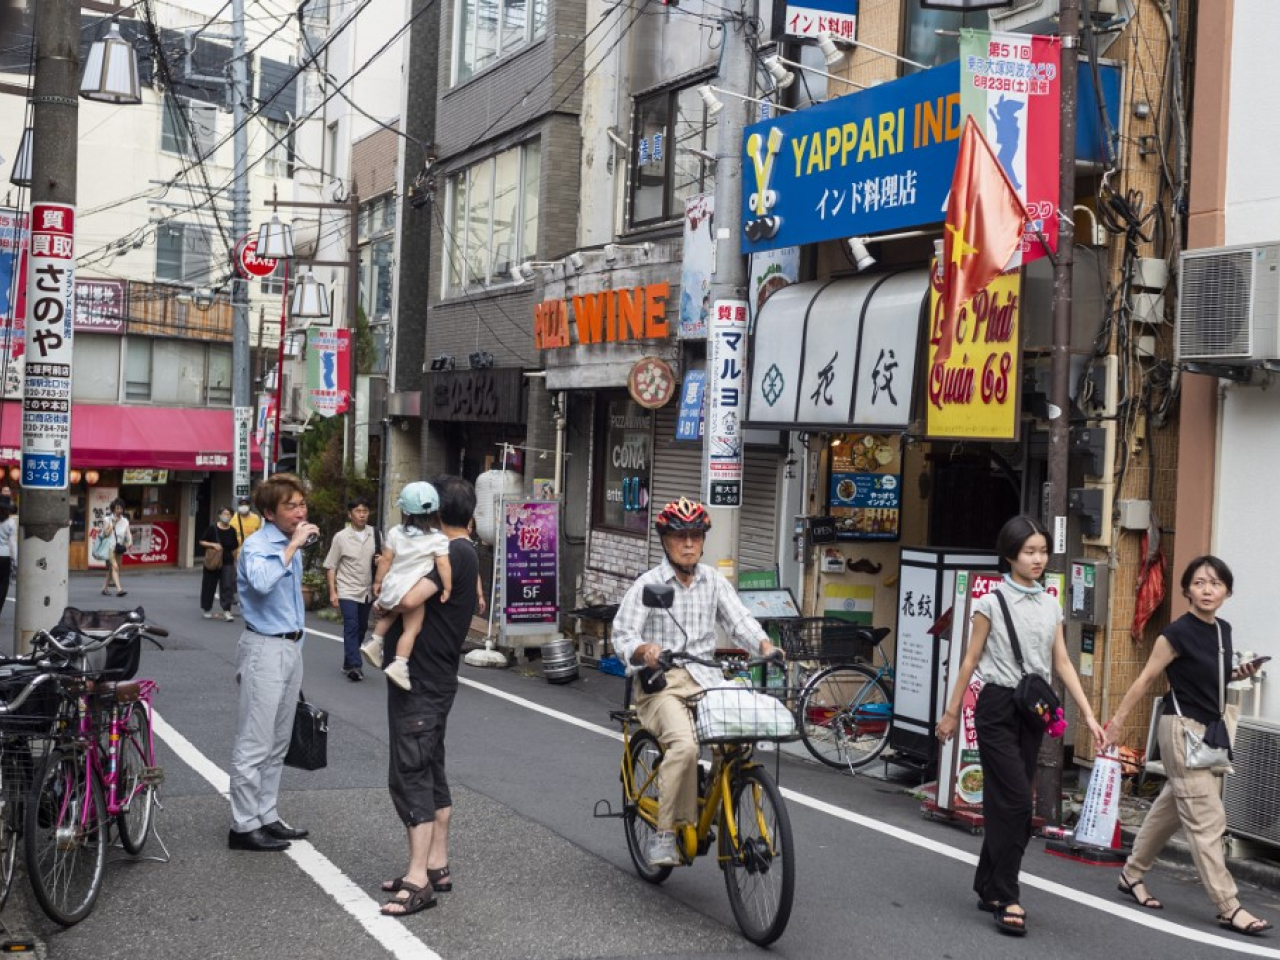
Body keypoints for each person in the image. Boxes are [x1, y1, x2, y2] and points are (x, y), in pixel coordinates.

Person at [936, 515, 1104, 937]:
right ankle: (1008, 895)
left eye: (1042, 551)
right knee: (1015, 803)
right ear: (1009, 554)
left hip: (1033, 710)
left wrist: (1087, 713)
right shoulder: (989, 603)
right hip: (994, 705)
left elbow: (1061, 662)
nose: (1037, 559)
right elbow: (970, 661)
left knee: (1004, 799)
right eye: (1029, 551)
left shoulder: (1050, 603)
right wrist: (952, 712)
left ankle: (988, 884)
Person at [1103, 555, 1271, 937]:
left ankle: (1131, 875)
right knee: (1208, 819)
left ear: (1227, 590)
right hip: (1182, 731)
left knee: (1172, 809)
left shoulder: (1223, 630)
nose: (1207, 589)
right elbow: (1147, 679)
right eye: (1198, 583)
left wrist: (1240, 673)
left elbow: (1208, 675)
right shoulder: (1175, 633)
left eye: (1215, 583)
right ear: (1186, 590)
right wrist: (1116, 724)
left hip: (1207, 732)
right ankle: (1229, 907)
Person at [611, 497, 780, 868]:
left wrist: (766, 645)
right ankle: (666, 834)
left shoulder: (713, 581)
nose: (688, 543)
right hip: (661, 685)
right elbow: (622, 635)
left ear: (703, 541)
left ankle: (719, 797)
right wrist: (645, 650)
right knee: (685, 748)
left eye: (696, 535)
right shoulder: (649, 584)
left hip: (706, 678)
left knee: (739, 736)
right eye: (679, 536)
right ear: (665, 540)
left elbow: (739, 621)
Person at [380, 475, 479, 918]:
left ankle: (418, 879)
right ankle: (437, 863)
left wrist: (384, 598)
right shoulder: (466, 551)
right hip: (435, 678)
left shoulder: (451, 552)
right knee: (430, 763)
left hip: (421, 680)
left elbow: (402, 599)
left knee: (410, 772)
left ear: (435, 515)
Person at [228, 473, 319, 853]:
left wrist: (294, 545)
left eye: (302, 504)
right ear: (269, 512)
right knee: (255, 739)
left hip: (290, 648)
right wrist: (294, 545)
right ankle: (243, 825)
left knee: (279, 738)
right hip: (264, 647)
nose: (300, 512)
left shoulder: (286, 543)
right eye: (290, 505)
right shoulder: (258, 545)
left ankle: (266, 814)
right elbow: (263, 584)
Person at [360, 482, 453, 692]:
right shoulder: (438, 539)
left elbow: (385, 560)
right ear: (435, 512)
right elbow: (443, 565)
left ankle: (375, 641)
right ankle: (400, 664)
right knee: (412, 629)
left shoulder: (394, 532)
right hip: (412, 587)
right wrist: (447, 587)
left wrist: (377, 582)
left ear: (405, 511)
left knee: (392, 614)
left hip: (393, 584)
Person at [325, 497, 378, 681]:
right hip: (347, 589)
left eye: (365, 511)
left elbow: (384, 558)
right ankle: (355, 666)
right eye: (358, 511)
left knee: (362, 627)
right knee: (351, 626)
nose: (362, 514)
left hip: (367, 590)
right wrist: (333, 591)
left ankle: (348, 661)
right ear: (350, 514)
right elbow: (331, 565)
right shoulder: (341, 537)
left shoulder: (375, 534)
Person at [199, 507, 239, 621]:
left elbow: (235, 547)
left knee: (227, 586)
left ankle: (227, 611)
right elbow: (202, 541)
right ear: (219, 515)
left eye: (229, 514)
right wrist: (213, 545)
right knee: (209, 585)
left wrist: (235, 561)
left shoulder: (232, 530)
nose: (226, 516)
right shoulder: (212, 528)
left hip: (227, 561)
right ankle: (207, 608)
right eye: (224, 514)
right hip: (213, 561)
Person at [100, 499, 131, 597]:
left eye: (121, 508)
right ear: (113, 509)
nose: (119, 510)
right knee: (115, 567)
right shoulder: (107, 519)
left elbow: (128, 534)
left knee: (111, 569)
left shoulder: (125, 521)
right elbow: (106, 533)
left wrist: (129, 543)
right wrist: (113, 523)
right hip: (109, 547)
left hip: (119, 548)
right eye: (117, 508)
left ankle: (104, 588)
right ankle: (119, 589)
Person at [0, 503, 15, 612]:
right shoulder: (10, 522)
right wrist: (16, 560)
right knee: (3, 586)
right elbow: (13, 543)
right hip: (5, 556)